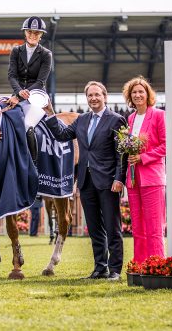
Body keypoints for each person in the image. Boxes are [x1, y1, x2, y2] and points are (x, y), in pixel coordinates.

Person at [43, 81, 127, 281]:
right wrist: (50, 114)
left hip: (108, 182)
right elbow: (62, 135)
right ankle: (100, 269)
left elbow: (121, 154)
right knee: (95, 228)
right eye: (90, 95)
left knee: (112, 227)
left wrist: (119, 179)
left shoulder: (116, 120)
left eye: (97, 95)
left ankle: (115, 270)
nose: (93, 98)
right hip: (85, 182)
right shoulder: (81, 120)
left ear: (104, 97)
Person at [122, 76, 166, 263]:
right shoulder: (130, 118)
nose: (138, 95)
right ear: (130, 97)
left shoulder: (159, 115)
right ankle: (140, 264)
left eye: (141, 91)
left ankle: (156, 264)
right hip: (133, 179)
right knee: (138, 226)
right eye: (134, 92)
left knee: (154, 226)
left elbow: (166, 145)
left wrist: (143, 157)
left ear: (148, 95)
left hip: (152, 177)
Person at [7, 16, 53, 163]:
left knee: (27, 125)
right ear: (25, 33)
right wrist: (18, 92)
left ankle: (33, 165)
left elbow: (40, 82)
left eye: (36, 33)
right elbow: (12, 75)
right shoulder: (16, 51)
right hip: (17, 92)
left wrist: (20, 97)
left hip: (37, 96)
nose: (33, 35)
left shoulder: (46, 54)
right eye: (30, 32)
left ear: (41, 35)